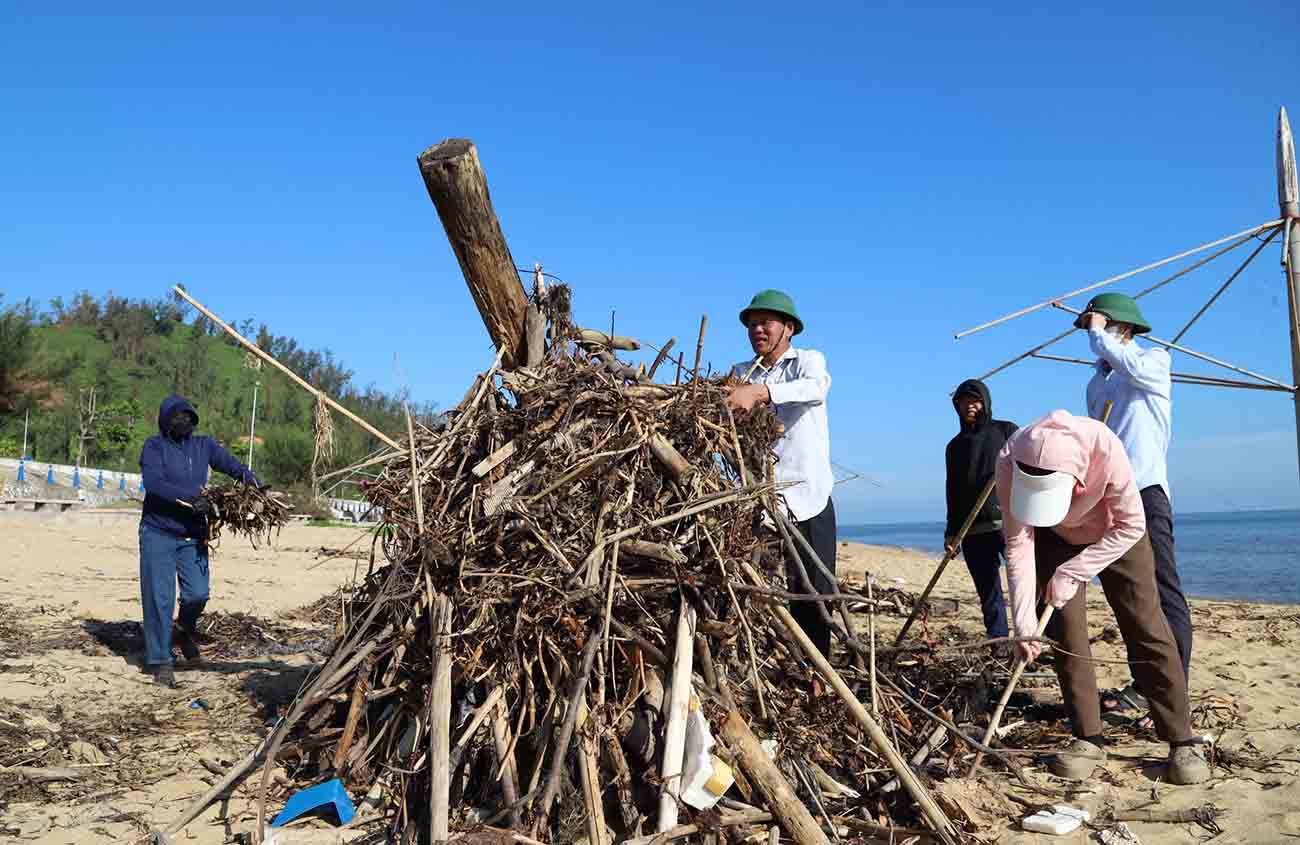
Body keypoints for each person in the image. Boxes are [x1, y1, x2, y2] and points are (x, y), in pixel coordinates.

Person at [997, 410, 1208, 783]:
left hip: (1117, 533)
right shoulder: (1010, 458)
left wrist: (1074, 571)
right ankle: (1088, 737)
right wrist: (1024, 621)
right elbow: (1018, 544)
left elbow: (1132, 524)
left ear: (1076, 480)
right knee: (1065, 632)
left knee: (1145, 622)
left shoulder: (1105, 449)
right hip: (1053, 538)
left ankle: (1181, 740)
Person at [1074, 293, 1192, 720]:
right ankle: (1144, 682)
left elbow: (1132, 364)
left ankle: (1173, 684)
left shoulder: (1153, 361)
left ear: (1123, 328)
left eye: (1102, 327)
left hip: (1145, 491)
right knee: (1129, 595)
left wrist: (1102, 334)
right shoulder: (1096, 383)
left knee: (1162, 590)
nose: (1093, 337)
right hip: (1108, 496)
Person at [725, 289, 836, 657]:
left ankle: (818, 672)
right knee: (764, 588)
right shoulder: (741, 372)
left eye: (766, 322)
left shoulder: (807, 361)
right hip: (763, 501)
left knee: (816, 594)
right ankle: (778, 663)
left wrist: (761, 393)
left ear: (788, 328)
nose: (758, 329)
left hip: (809, 497)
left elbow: (816, 389)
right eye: (752, 324)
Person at [139, 395, 260, 687]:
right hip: (158, 531)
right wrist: (189, 500)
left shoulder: (203, 445)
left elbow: (231, 465)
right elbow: (154, 484)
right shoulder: (154, 447)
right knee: (159, 598)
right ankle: (160, 660)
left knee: (198, 594)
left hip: (193, 533)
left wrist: (253, 484)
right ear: (165, 420)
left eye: (188, 416)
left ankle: (183, 631)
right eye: (177, 417)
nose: (183, 421)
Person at [944, 379, 1017, 649]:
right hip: (972, 530)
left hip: (1007, 522)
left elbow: (1026, 466)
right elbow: (952, 490)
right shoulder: (954, 447)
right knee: (988, 592)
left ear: (985, 402)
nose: (969, 407)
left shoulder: (1006, 431)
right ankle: (999, 642)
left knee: (1024, 582)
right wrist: (952, 533)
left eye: (975, 401)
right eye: (963, 402)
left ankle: (1033, 636)